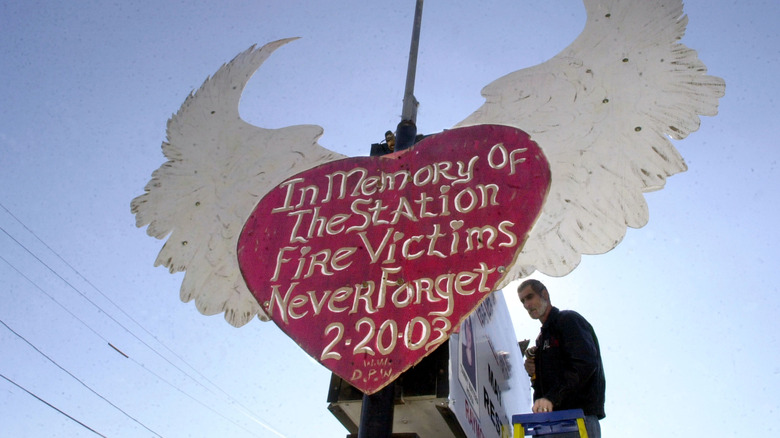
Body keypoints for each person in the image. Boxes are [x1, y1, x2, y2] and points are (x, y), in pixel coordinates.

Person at [518, 279, 606, 438]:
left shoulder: (567, 320)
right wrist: (534, 375)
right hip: (549, 423)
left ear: (544, 294)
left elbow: (584, 364)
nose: (526, 305)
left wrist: (552, 398)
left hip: (576, 419)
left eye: (530, 297)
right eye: (522, 301)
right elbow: (544, 389)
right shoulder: (542, 339)